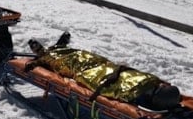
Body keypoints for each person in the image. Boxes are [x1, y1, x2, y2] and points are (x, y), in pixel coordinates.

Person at [24, 32, 182, 110]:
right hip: (105, 67)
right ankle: (59, 48)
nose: (163, 84)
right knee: (81, 55)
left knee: (70, 62)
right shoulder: (151, 84)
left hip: (93, 72)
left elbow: (116, 89)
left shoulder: (136, 94)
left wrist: (35, 64)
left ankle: (44, 55)